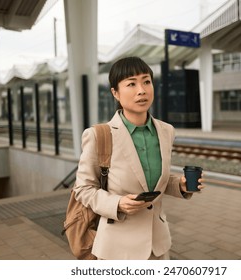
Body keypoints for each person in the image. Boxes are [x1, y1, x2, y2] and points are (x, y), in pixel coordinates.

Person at [73, 56, 204, 260]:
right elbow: (83, 189)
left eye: (146, 81)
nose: (141, 90)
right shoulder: (99, 135)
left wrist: (180, 185)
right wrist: (116, 203)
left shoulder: (166, 131)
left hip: (158, 246)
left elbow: (154, 181)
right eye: (131, 84)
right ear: (115, 93)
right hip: (117, 249)